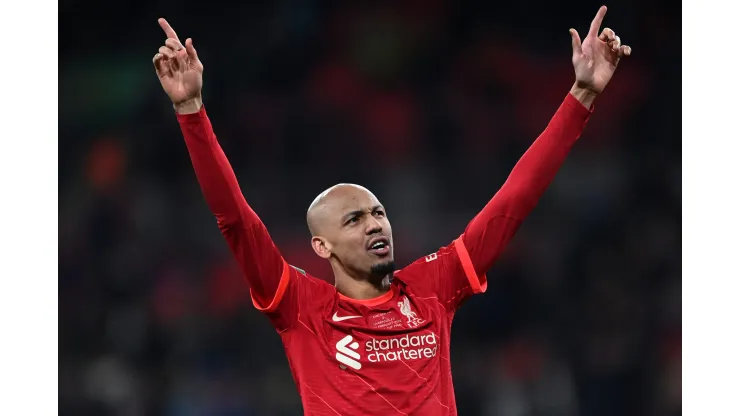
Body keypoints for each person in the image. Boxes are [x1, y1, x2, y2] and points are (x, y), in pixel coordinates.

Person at [152, 6, 631, 415]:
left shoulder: (432, 290)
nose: (375, 223)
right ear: (321, 246)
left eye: (378, 213)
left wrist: (582, 96)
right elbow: (235, 219)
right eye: (354, 219)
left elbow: (513, 201)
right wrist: (192, 109)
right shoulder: (303, 308)